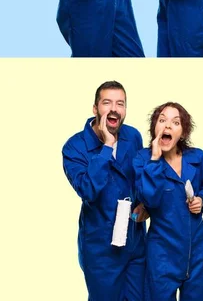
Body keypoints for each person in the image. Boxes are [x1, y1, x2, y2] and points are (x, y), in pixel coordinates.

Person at [62, 81, 147, 300]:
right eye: (107, 102)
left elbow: (140, 179)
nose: (114, 108)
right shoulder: (74, 147)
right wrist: (107, 147)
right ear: (95, 108)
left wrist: (144, 205)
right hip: (101, 251)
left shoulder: (133, 136)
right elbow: (88, 191)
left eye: (120, 103)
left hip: (135, 244)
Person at [133, 102, 203, 300]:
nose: (167, 126)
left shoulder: (198, 158)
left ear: (184, 131)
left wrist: (202, 200)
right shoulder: (143, 159)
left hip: (196, 252)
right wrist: (155, 159)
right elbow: (150, 199)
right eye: (162, 120)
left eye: (175, 122)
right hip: (161, 253)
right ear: (155, 128)